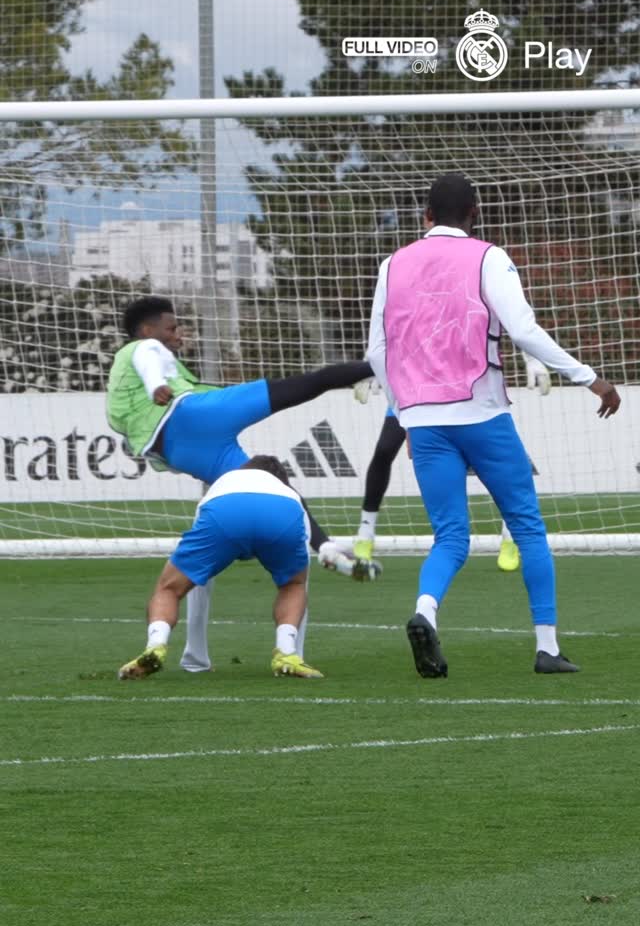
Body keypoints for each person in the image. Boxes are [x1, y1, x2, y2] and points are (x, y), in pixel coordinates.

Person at [367, 172, 620, 677]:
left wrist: (407, 414)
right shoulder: (488, 256)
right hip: (482, 412)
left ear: (426, 217)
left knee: (450, 538)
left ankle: (424, 611)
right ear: (475, 213)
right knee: (527, 526)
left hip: (424, 418)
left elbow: (377, 350)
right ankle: (546, 647)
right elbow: (522, 329)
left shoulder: (391, 264)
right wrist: (588, 377)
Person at [106, 296, 376, 673]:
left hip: (185, 450)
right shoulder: (142, 347)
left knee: (271, 486)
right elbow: (148, 360)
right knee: (302, 386)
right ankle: (382, 366)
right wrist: (155, 387)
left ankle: (325, 546)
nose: (178, 332)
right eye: (171, 327)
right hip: (190, 418)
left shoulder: (143, 369)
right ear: (147, 329)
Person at [118, 455, 322, 680]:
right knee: (294, 585)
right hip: (281, 512)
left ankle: (157, 646)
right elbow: (303, 559)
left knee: (170, 588)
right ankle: (287, 653)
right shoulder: (289, 494)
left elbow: (200, 554)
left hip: (225, 509)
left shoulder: (224, 482)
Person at [353, 351, 550, 575]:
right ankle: (365, 533)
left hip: (471, 386)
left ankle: (509, 536)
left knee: (499, 461)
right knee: (385, 449)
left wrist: (532, 358)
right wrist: (372, 364)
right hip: (416, 385)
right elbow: (390, 328)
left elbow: (511, 320)